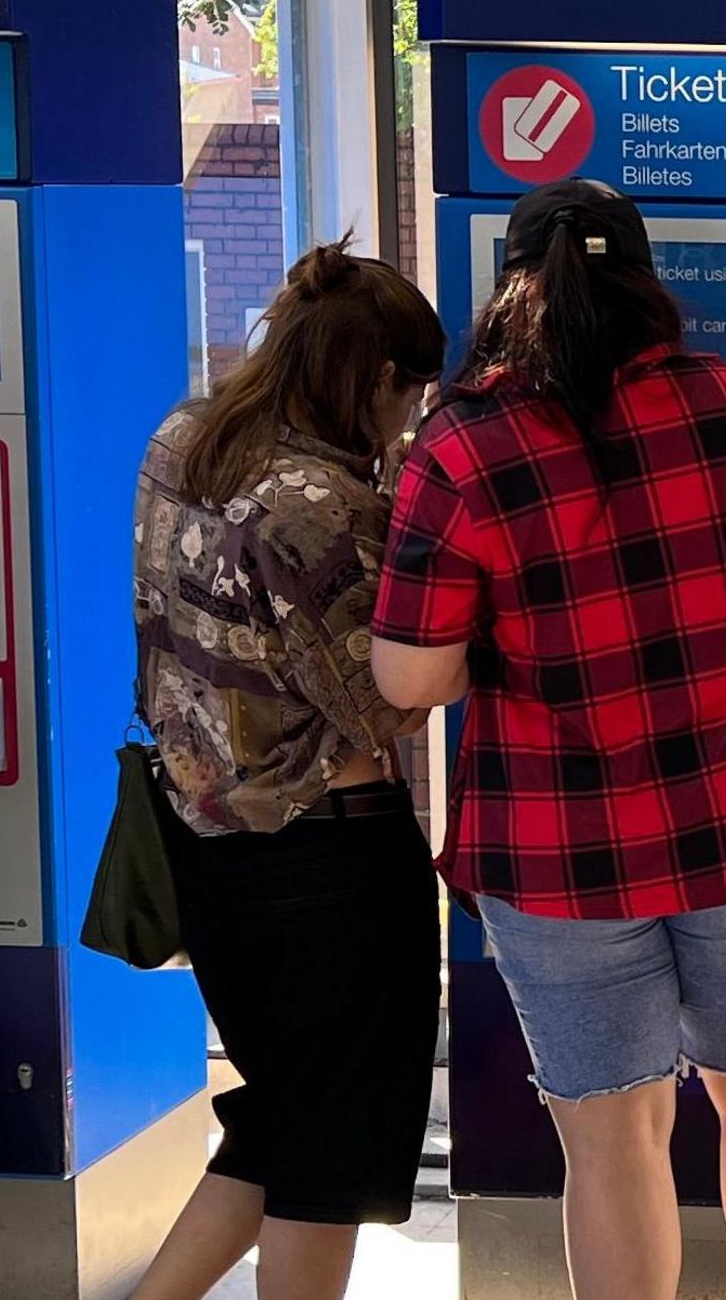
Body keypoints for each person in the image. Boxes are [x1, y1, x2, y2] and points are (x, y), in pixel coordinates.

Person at [369, 179, 726, 1300]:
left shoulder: (463, 449)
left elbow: (412, 674)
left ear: (507, 287)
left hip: (558, 847)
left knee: (614, 1133)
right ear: (644, 279)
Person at [129, 243, 445, 1300]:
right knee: (329, 1156)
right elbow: (385, 700)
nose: (410, 418)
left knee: (283, 1114)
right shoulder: (316, 502)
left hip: (207, 841)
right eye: (410, 393)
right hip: (330, 856)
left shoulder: (185, 439)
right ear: (374, 377)